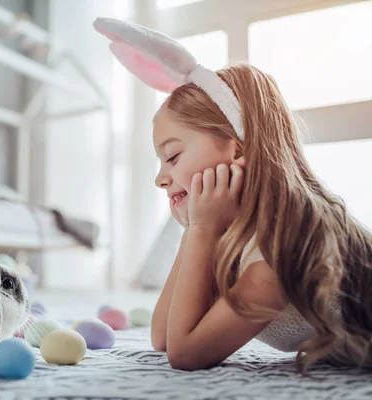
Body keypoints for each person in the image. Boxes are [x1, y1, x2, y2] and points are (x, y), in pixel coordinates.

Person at [93, 17, 372, 373]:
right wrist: (196, 229)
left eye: (174, 156)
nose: (161, 179)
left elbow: (186, 353)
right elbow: (162, 336)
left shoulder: (279, 251)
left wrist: (202, 230)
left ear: (239, 151)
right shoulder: (235, 236)